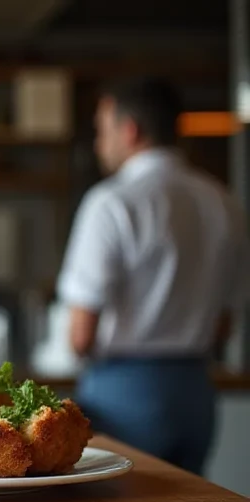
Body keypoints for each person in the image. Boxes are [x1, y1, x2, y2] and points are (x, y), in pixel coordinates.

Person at [56, 76, 250, 475]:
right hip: (196, 389)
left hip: (125, 393)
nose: (98, 143)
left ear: (130, 130)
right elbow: (225, 323)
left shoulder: (111, 203)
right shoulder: (223, 202)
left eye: (101, 130)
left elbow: (80, 334)